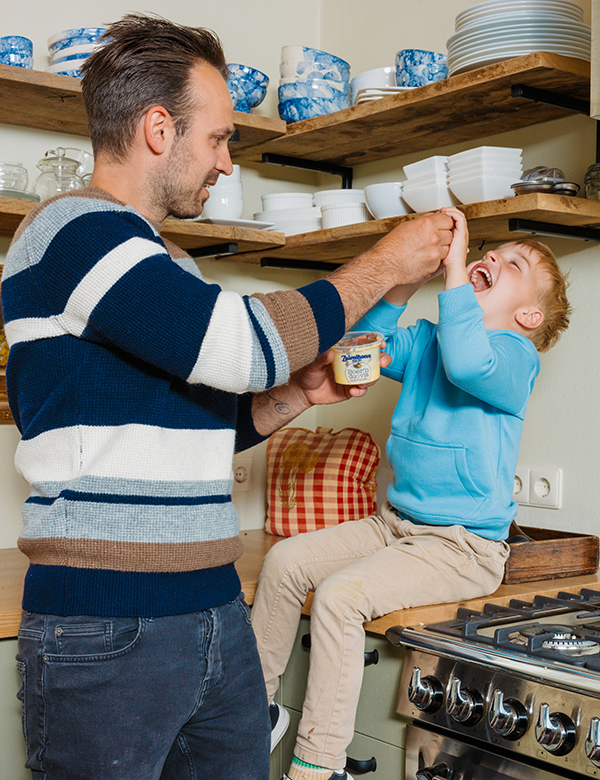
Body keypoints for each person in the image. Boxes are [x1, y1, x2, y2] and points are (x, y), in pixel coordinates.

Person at [0, 13, 455, 780]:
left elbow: (199, 421)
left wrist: (294, 396)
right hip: (108, 623)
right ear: (156, 128)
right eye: (216, 138)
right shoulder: (74, 233)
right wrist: (383, 263)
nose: (225, 162)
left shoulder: (165, 260)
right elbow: (242, 345)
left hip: (212, 612)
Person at [251, 207, 572, 780]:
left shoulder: (515, 359)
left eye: (514, 262)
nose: (493, 256)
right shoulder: (428, 340)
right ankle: (253, 715)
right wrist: (405, 274)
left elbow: (467, 360)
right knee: (284, 561)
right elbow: (359, 342)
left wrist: (452, 274)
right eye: (493, 251)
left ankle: (316, 766)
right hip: (393, 525)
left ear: (527, 314)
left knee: (341, 598)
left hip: (461, 547)